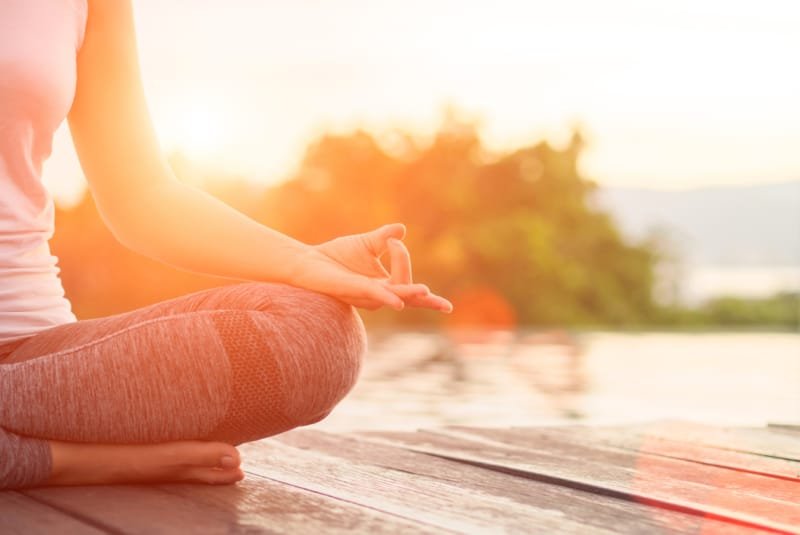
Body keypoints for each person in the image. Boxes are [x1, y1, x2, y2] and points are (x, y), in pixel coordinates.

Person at [0, 0, 452, 489]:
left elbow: (142, 197)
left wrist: (307, 263)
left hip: (32, 356)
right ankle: (77, 459)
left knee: (319, 333)